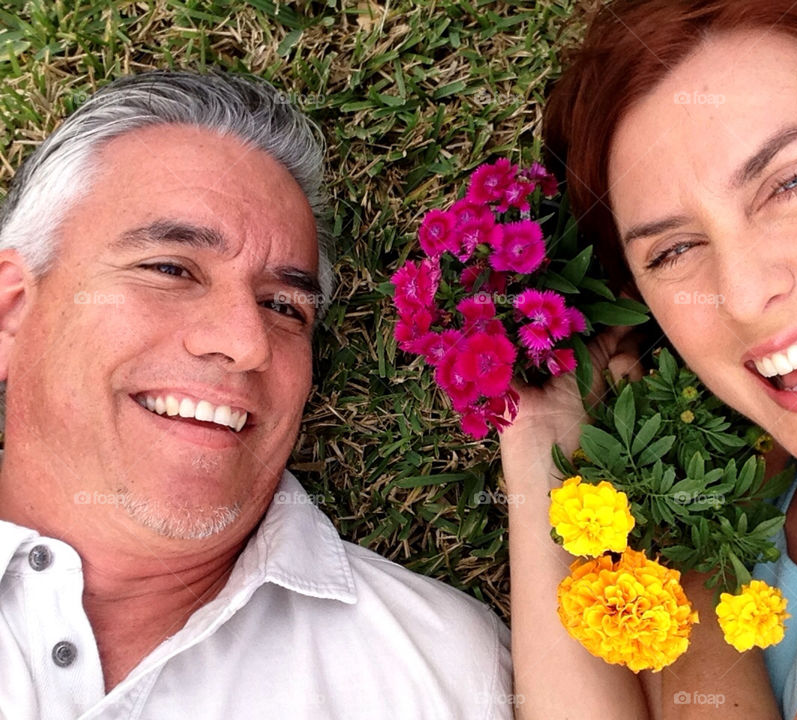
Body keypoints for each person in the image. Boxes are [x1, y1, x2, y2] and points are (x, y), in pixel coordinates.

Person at [0, 70, 512, 720]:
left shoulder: (442, 672)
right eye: (171, 269)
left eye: (283, 306)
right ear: (13, 311)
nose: (249, 343)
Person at [502, 0, 797, 718]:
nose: (743, 295)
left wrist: (691, 569)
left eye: (793, 181)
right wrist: (541, 445)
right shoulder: (751, 498)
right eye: (675, 250)